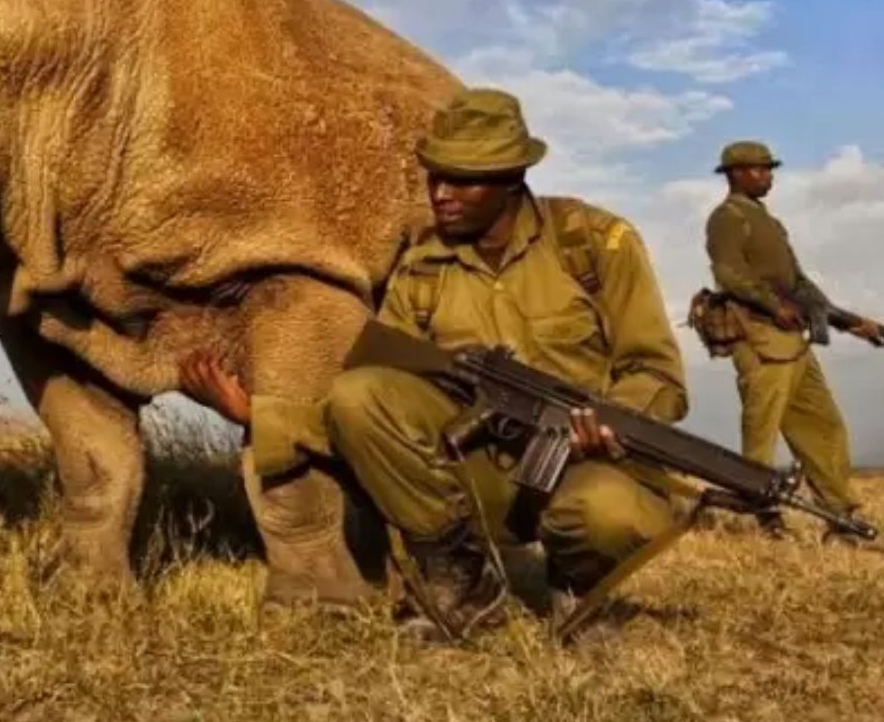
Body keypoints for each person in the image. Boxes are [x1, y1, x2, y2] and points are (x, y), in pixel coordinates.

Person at [180, 88, 688, 639]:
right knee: (359, 392)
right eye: (435, 176)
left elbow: (658, 376)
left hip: (585, 466)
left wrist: (610, 421)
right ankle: (461, 584)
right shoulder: (421, 270)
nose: (441, 194)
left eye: (463, 180)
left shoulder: (593, 245)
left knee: (610, 514)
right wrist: (257, 414)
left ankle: (578, 584)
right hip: (481, 478)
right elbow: (362, 411)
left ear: (512, 178)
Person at [705, 141, 880, 543]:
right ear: (735, 173)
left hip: (792, 342)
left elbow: (799, 284)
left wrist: (851, 322)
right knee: (762, 433)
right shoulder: (727, 218)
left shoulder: (768, 221)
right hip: (759, 338)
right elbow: (728, 274)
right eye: (760, 169)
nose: (768, 176)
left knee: (824, 425)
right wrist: (772, 304)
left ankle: (841, 516)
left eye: (769, 169)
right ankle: (763, 517)